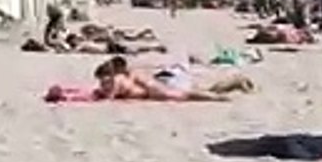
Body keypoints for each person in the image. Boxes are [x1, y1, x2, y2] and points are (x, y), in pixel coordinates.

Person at [92, 56, 253, 102]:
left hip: (162, 86)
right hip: (166, 79)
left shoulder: (126, 77)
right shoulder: (132, 74)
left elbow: (110, 96)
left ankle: (223, 96)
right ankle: (233, 83)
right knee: (200, 92)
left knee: (194, 94)